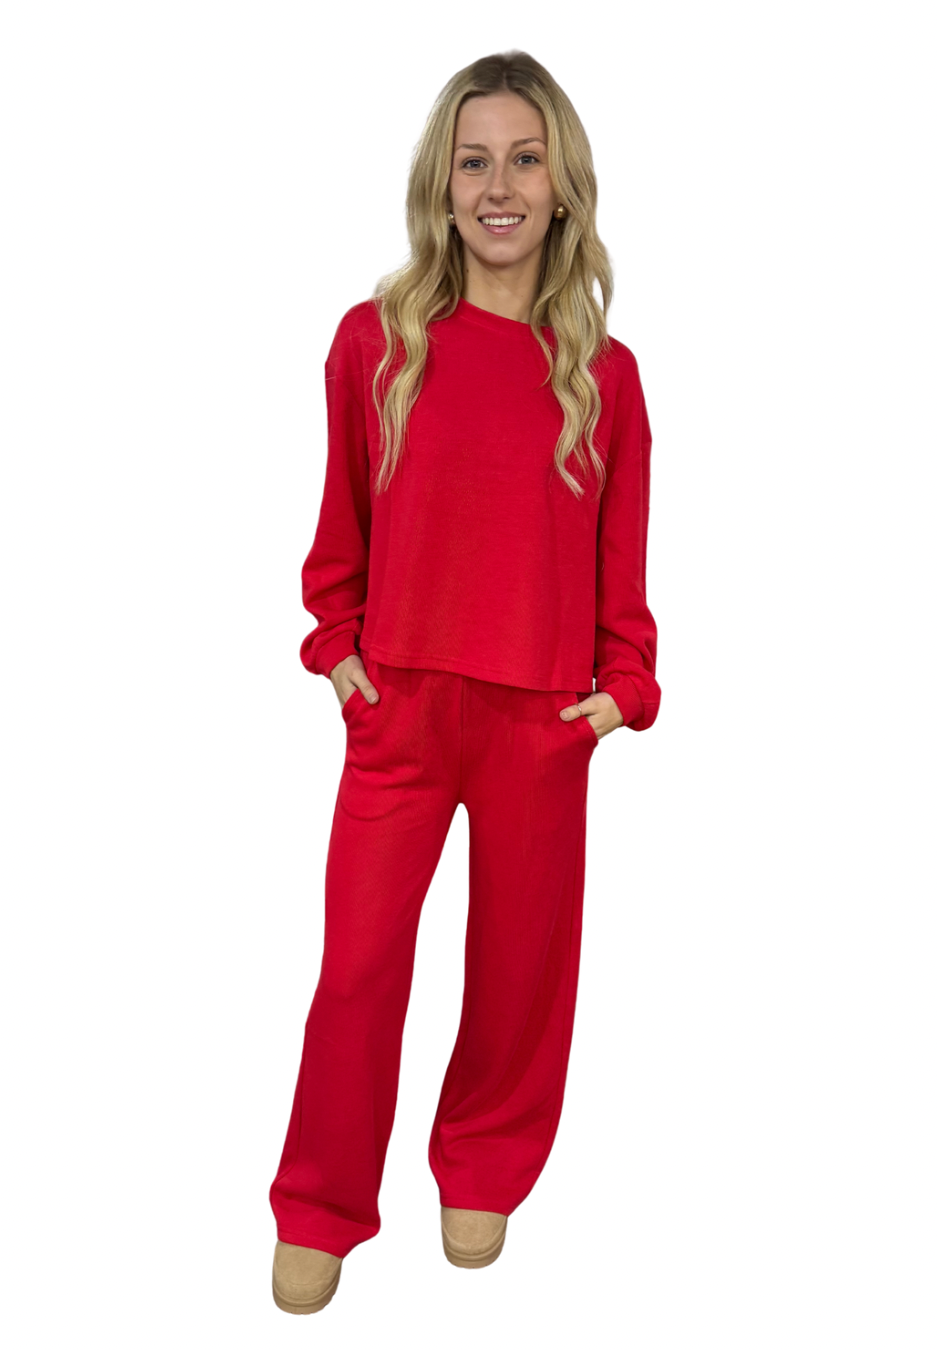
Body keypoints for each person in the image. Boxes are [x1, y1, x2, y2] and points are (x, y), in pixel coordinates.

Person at [269, 49, 661, 1315]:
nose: (499, 187)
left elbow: (621, 569)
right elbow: (340, 530)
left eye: (525, 160)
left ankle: (484, 1161)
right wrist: (339, 653)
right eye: (474, 161)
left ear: (563, 185)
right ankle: (323, 1199)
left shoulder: (603, 377)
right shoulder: (376, 344)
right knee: (358, 968)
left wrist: (622, 687)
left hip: (540, 715)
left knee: (517, 971)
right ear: (441, 185)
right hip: (400, 707)